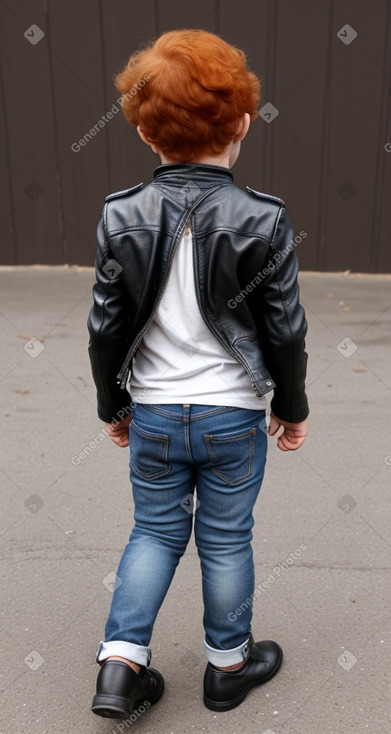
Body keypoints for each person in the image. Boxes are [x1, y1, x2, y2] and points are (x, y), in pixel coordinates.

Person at [87, 28, 309, 719]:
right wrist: (292, 405)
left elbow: (105, 328)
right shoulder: (262, 218)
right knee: (225, 537)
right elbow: (283, 328)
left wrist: (111, 405)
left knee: (152, 532)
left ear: (147, 134)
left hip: (153, 412)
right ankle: (227, 666)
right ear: (242, 122)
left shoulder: (120, 214)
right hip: (230, 415)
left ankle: (120, 666)